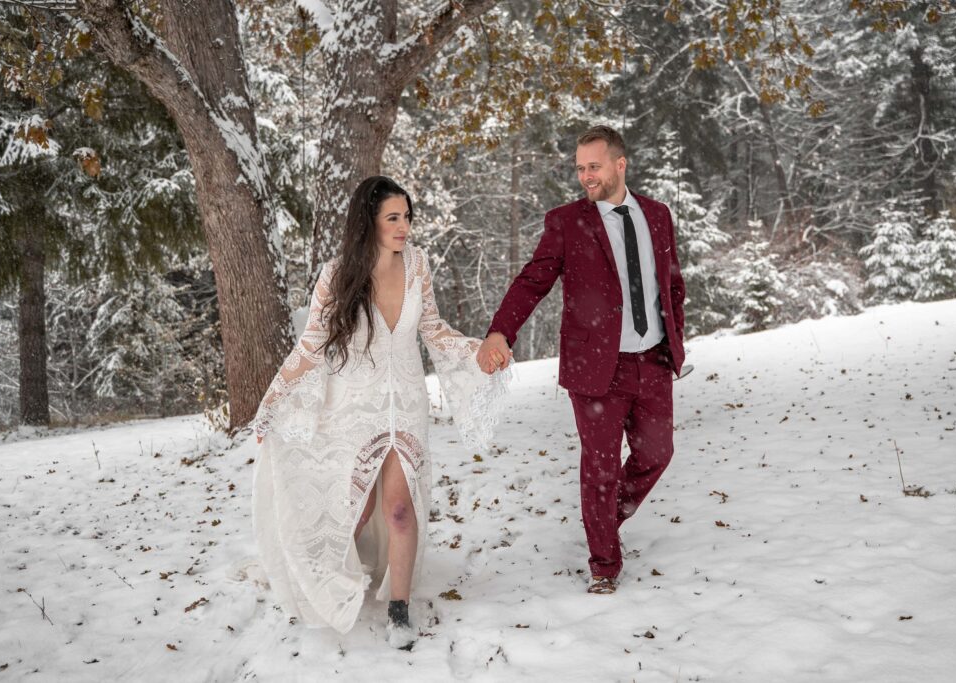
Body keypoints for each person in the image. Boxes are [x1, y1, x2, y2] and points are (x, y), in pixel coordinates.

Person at [252, 176, 509, 649]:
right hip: (354, 408)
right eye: (394, 217)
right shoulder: (336, 275)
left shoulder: (418, 266)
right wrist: (271, 403)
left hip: (407, 407)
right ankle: (334, 579)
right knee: (359, 505)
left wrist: (477, 353)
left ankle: (399, 607)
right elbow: (310, 348)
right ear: (368, 221)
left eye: (407, 216)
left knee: (399, 508)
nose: (404, 226)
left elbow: (433, 329)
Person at [477, 125, 686, 595]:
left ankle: (603, 519)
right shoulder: (567, 223)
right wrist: (500, 331)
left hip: (652, 361)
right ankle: (604, 563)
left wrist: (676, 339)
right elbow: (533, 280)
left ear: (619, 164)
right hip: (596, 367)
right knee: (601, 466)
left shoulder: (657, 215)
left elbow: (671, 283)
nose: (585, 176)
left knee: (658, 454)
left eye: (593, 166)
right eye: (579, 168)